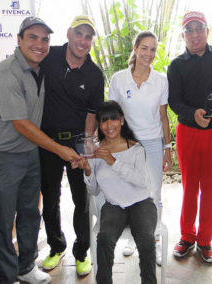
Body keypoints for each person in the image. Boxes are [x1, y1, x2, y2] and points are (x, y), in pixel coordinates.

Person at [0, 16, 80, 284]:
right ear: (19, 40)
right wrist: (60, 149)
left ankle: (25, 266)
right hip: (3, 155)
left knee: (30, 213)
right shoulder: (6, 72)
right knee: (3, 220)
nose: (40, 44)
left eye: (45, 39)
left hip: (29, 153)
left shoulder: (43, 63)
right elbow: (20, 124)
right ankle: (5, 275)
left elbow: (73, 50)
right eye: (32, 38)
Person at [39, 15, 104, 275]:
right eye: (79, 34)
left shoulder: (95, 73)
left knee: (82, 200)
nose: (83, 41)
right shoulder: (48, 57)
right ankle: (56, 246)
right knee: (51, 197)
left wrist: (87, 143)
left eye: (88, 36)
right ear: (68, 34)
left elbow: (92, 113)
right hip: (48, 141)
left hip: (78, 142)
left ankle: (81, 251)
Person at [167, 11, 212, 263]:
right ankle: (187, 236)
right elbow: (173, 101)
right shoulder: (177, 64)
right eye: (189, 30)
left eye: (199, 28)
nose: (194, 34)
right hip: (188, 132)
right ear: (183, 35)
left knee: (211, 188)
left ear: (207, 31)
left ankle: (205, 240)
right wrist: (193, 114)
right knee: (190, 186)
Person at [74, 100, 157, 284]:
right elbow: (94, 190)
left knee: (146, 241)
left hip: (141, 203)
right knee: (104, 239)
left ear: (121, 120)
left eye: (113, 119)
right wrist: (87, 170)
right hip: (114, 206)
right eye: (104, 121)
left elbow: (142, 182)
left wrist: (112, 161)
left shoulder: (135, 147)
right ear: (99, 125)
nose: (109, 125)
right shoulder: (95, 152)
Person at [107, 31, 172, 266]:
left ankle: (153, 240)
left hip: (153, 143)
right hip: (127, 144)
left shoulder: (161, 80)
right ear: (135, 48)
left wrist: (167, 146)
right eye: (144, 48)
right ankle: (136, 237)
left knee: (154, 193)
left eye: (153, 49)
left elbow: (163, 117)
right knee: (131, 190)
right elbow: (113, 115)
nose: (149, 54)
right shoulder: (118, 79)